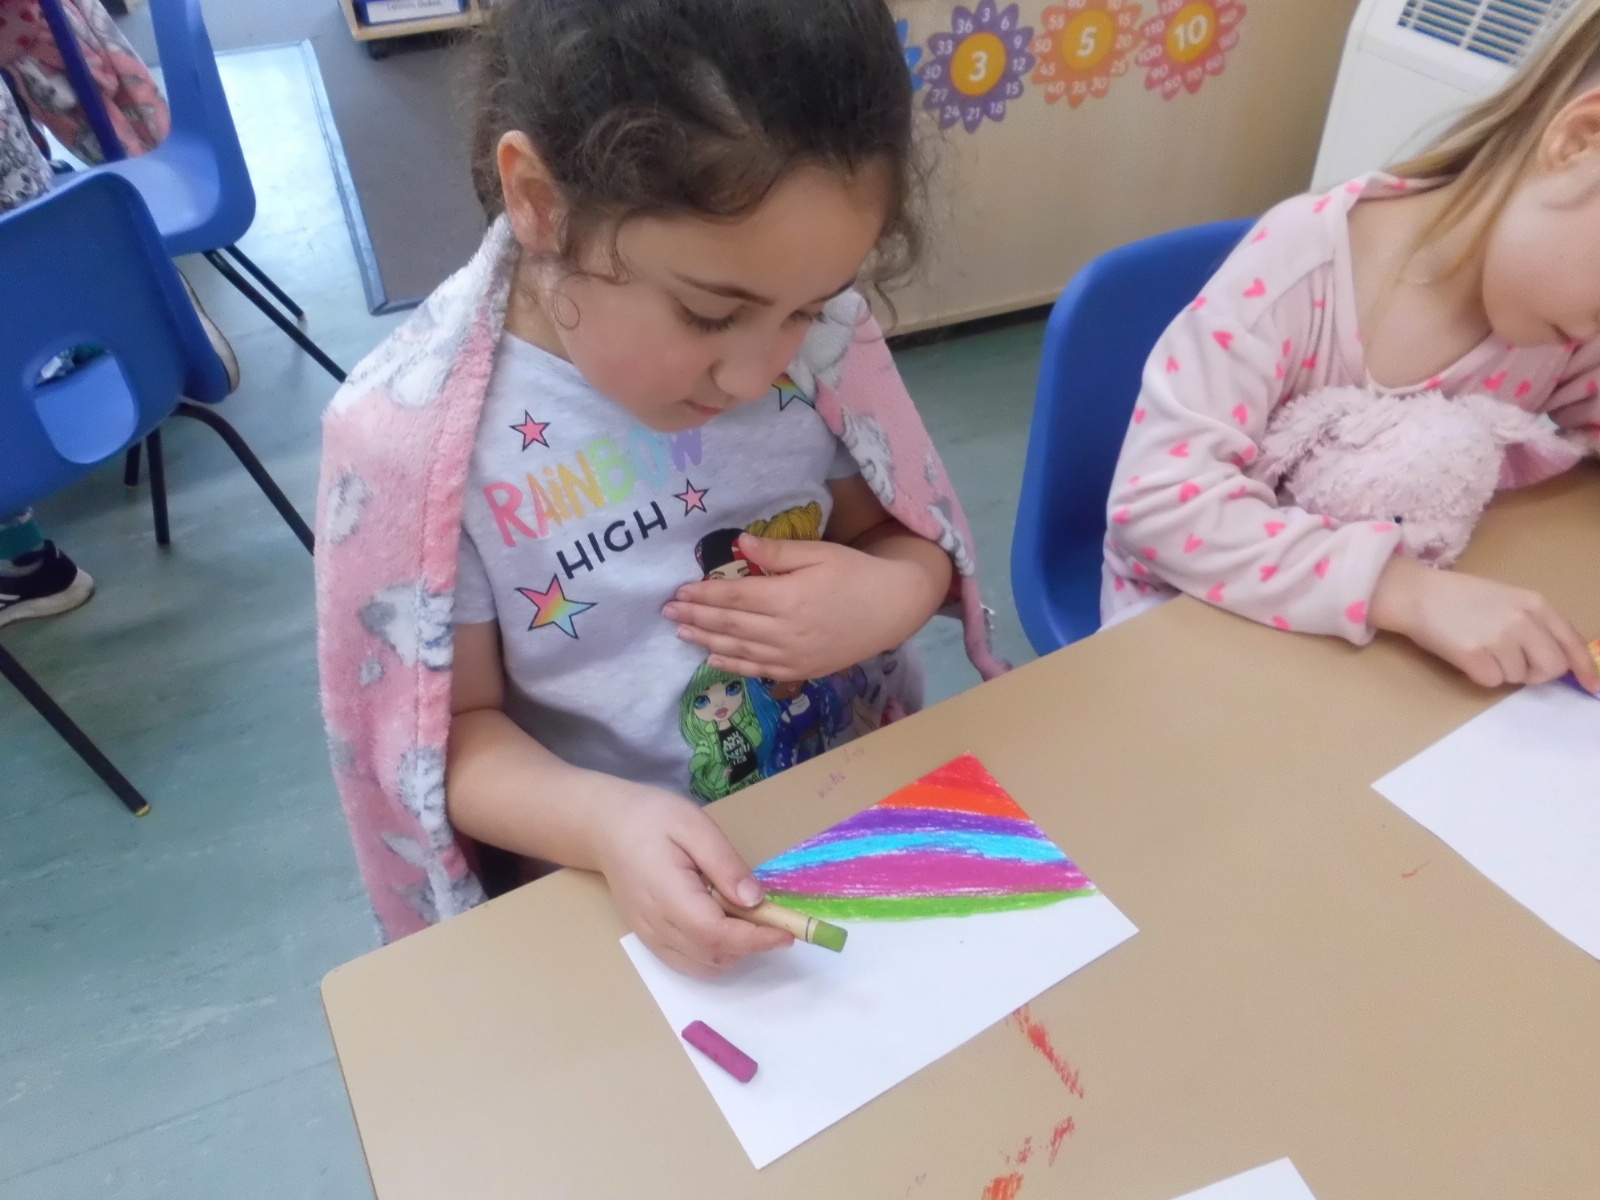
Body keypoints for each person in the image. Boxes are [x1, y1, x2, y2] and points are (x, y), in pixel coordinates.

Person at [314, 0, 1006, 966]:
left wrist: (893, 591)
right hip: (612, 893)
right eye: (709, 314)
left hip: (853, 813)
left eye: (806, 309)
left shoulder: (821, 350)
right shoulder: (421, 444)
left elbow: (901, 536)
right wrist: (606, 824)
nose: (756, 374)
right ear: (539, 200)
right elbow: (447, 734)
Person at [1104, 0, 1600, 695]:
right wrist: (1404, 590)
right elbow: (1159, 508)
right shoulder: (1300, 265)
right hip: (1193, 625)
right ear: (1580, 142)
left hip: (1385, 660)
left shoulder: (1564, 320)